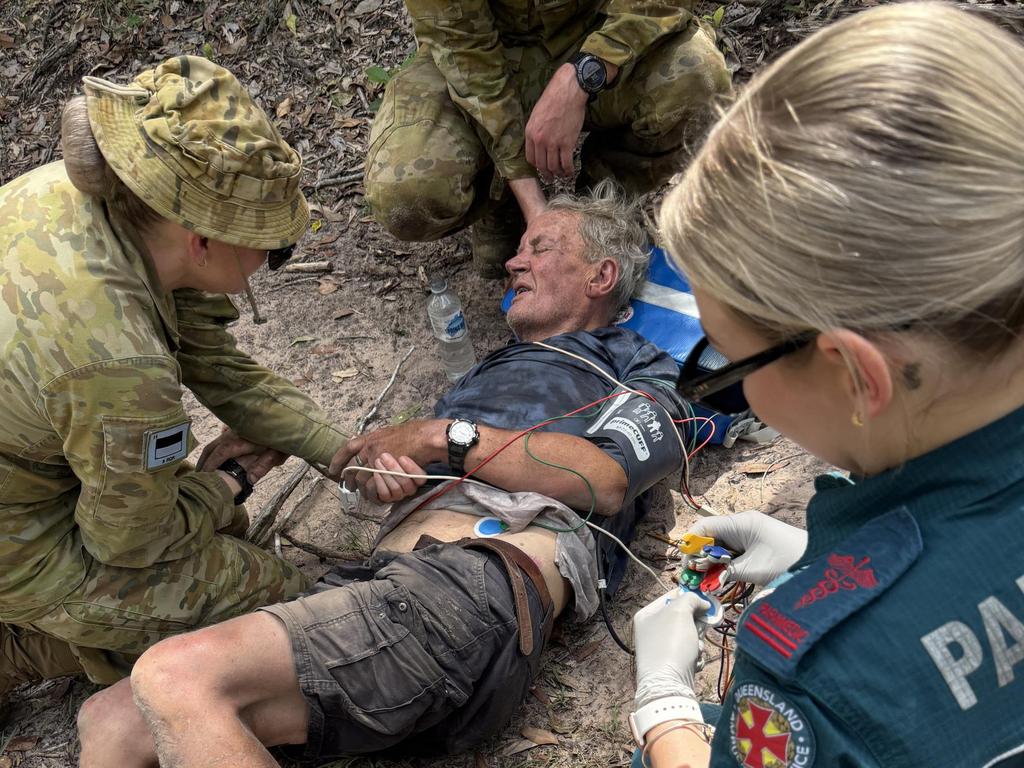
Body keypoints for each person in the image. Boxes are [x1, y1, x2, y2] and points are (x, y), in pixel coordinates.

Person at [75, 182, 689, 767]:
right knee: (109, 720)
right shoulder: (488, 373)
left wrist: (435, 436)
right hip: (381, 592)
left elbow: (605, 478)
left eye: (540, 248)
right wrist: (387, 475)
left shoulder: (640, 366)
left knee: (176, 675)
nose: (512, 263)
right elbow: (429, 466)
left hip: (475, 585)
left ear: (600, 277)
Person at [627, 4, 1024, 767]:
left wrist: (664, 705)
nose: (722, 385)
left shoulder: (819, 683)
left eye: (730, 366)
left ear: (854, 373)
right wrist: (844, 556)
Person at [0, 56, 348, 696]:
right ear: (202, 241)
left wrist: (340, 451)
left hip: (28, 471)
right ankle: (23, 646)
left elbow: (213, 360)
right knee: (293, 613)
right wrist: (228, 483)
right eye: (270, 245)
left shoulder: (100, 201)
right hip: (18, 542)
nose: (273, 260)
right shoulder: (115, 358)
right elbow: (130, 542)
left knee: (223, 535)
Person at [363, 0, 732, 278]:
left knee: (699, 80)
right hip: (481, 52)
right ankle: (502, 202)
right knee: (405, 189)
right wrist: (534, 206)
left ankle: (597, 211)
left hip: (592, 32)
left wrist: (588, 71)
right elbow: (467, 57)